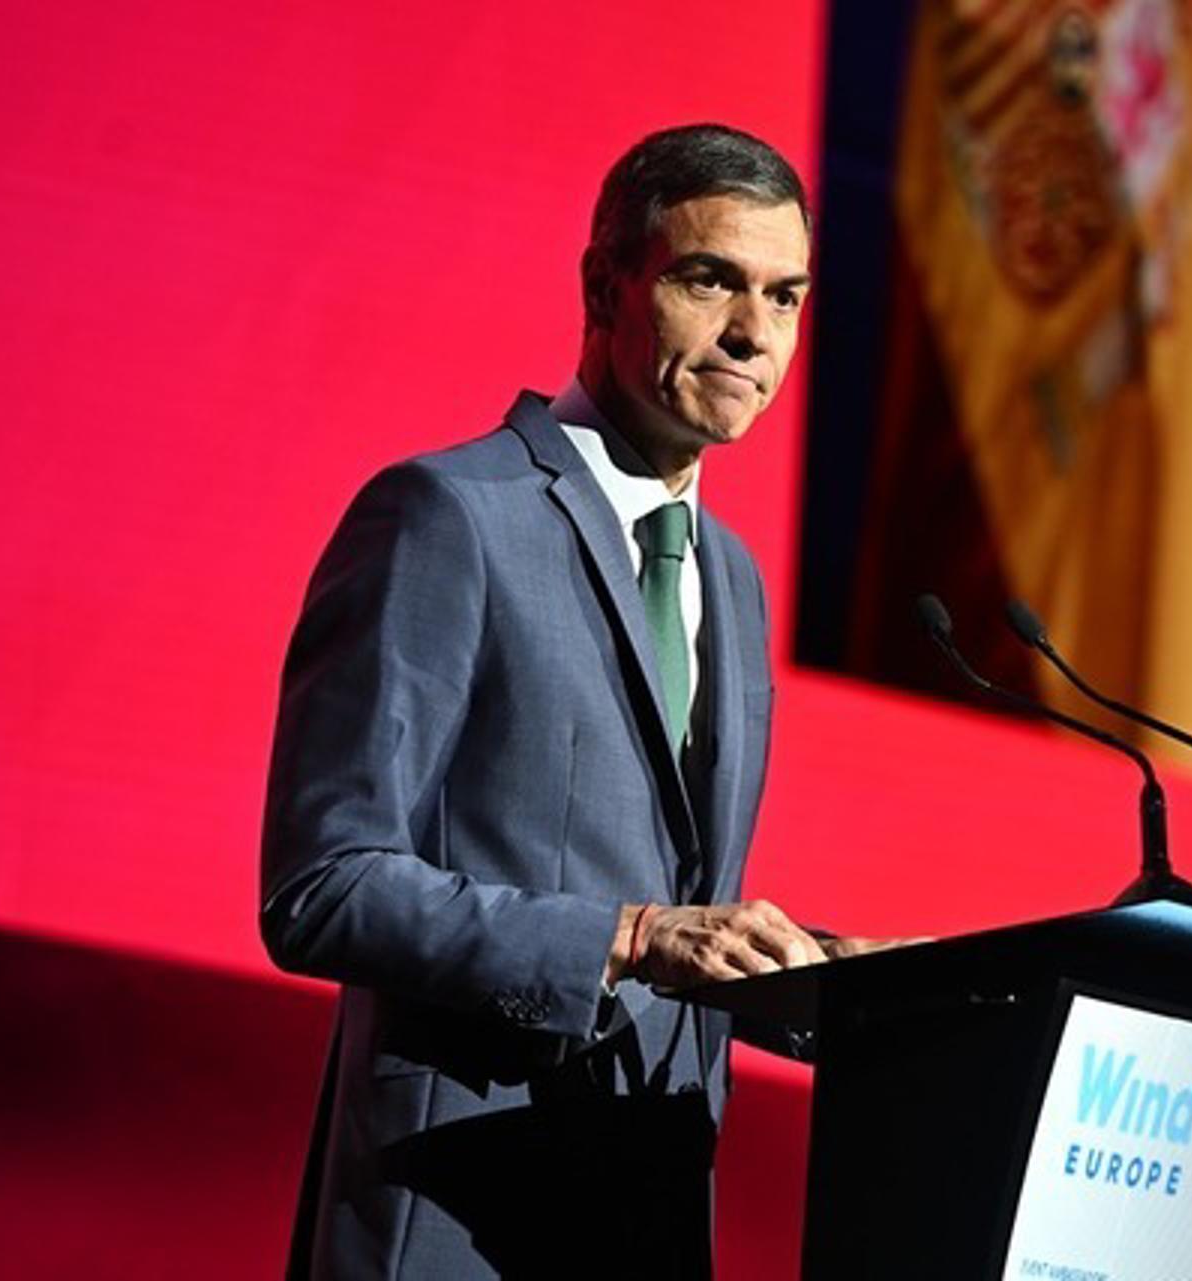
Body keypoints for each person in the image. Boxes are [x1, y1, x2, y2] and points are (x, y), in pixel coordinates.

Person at [260, 124, 886, 1280]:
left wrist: (855, 992)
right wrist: (631, 938)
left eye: (787, 297)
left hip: (647, 1220)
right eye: (714, 281)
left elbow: (685, 920)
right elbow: (322, 888)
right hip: (451, 1215)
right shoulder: (451, 515)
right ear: (607, 282)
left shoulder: (735, 578)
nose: (755, 334)